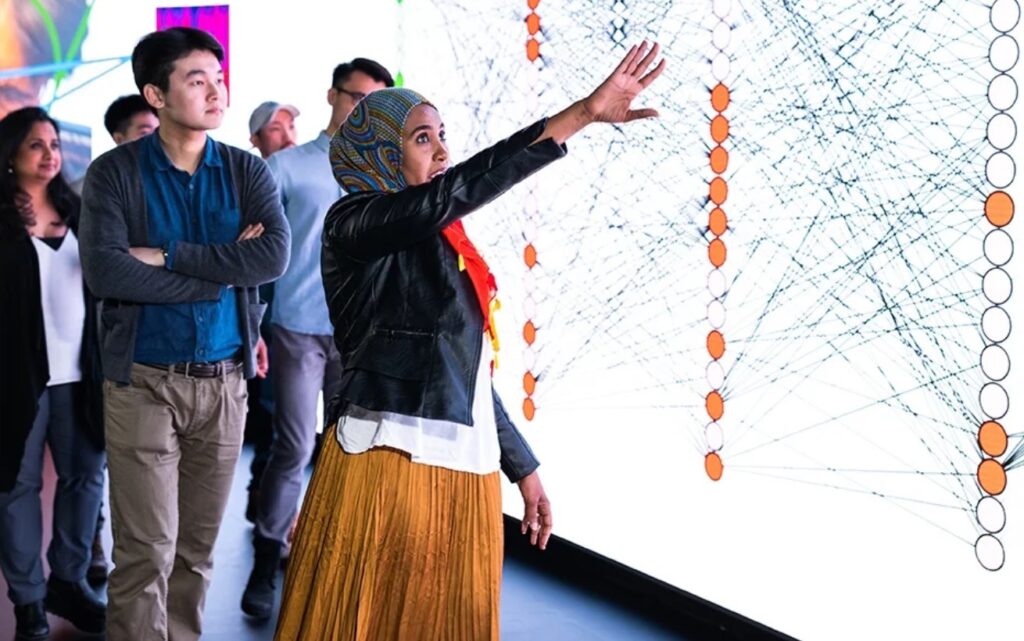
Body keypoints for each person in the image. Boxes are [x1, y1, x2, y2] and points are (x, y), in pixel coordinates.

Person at [274, 41, 665, 641]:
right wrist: (580, 115)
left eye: (442, 135)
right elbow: (452, 191)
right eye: (421, 138)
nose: (442, 150)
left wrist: (522, 467)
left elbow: (465, 371)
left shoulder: (446, 247)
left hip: (467, 469)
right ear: (379, 150)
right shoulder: (353, 222)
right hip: (388, 463)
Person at [78, 27, 289, 641]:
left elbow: (271, 256)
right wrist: (217, 272)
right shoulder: (114, 174)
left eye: (218, 78)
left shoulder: (247, 171)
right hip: (143, 381)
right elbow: (106, 270)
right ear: (157, 94)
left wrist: (166, 256)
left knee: (195, 554)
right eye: (197, 80)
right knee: (146, 553)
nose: (215, 91)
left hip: (225, 385)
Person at [241, 57, 393, 619]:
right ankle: (265, 558)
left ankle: (335, 558)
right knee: (295, 447)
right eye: (357, 99)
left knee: (353, 450)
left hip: (361, 334)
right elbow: (254, 255)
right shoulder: (286, 167)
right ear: (333, 96)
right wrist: (251, 327)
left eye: (377, 104)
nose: (365, 112)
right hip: (298, 327)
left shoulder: (387, 170)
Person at [0, 106, 106, 641]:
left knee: (85, 477)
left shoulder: (79, 210)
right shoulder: (1, 218)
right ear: (11, 154)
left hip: (80, 372)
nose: (49, 155)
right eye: (36, 145)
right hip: (17, 376)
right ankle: (28, 600)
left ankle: (68, 578)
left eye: (54, 145)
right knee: (17, 487)